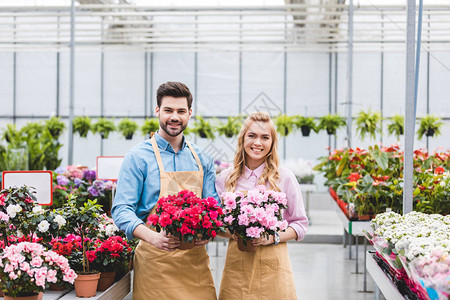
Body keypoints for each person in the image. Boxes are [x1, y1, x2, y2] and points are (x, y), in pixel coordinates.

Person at [112, 81, 218, 300]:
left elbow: (213, 208)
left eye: (181, 111)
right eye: (168, 110)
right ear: (157, 111)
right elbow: (122, 210)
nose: (174, 117)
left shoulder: (202, 158)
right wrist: (153, 238)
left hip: (194, 264)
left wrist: (207, 233)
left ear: (190, 113)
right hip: (155, 263)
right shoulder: (138, 157)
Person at [215, 111, 308, 300]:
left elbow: (300, 224)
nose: (258, 142)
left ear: (272, 143)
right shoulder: (225, 178)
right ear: (242, 139)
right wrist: (231, 232)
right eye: (252, 136)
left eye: (265, 137)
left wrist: (271, 237)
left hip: (274, 268)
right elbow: (215, 223)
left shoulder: (285, 178)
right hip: (237, 268)